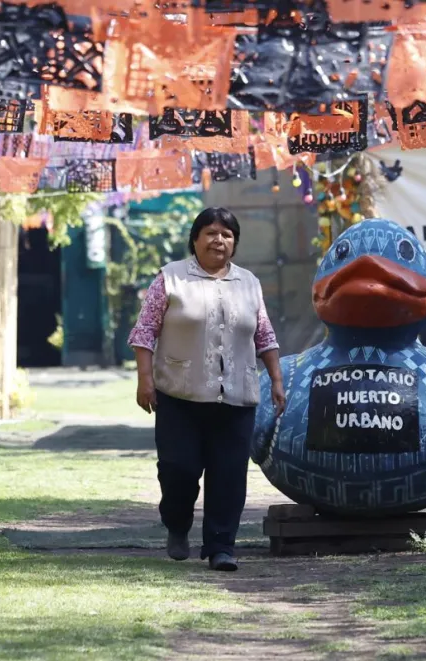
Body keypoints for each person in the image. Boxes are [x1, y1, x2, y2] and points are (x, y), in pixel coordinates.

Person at [128, 207, 285, 572]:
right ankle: (177, 523)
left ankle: (221, 547)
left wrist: (276, 379)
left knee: (229, 474)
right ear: (195, 239)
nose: (219, 240)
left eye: (227, 235)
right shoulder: (171, 278)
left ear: (235, 243)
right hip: (180, 394)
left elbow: (264, 335)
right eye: (211, 233)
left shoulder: (249, 283)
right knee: (178, 469)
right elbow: (145, 332)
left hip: (236, 395)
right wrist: (145, 379)